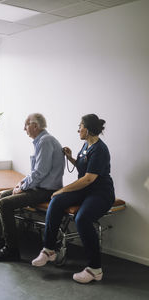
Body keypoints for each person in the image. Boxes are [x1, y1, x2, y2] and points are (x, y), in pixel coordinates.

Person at [32, 114, 115, 284]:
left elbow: (89, 178)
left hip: (100, 193)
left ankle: (95, 269)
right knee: (56, 201)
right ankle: (49, 250)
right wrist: (70, 158)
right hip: (85, 190)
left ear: (89, 129)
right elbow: (84, 168)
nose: (78, 129)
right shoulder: (86, 145)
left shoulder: (100, 149)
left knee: (82, 218)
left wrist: (63, 189)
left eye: (80, 126)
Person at [0, 113, 65, 262]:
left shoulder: (45, 141)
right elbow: (36, 171)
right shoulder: (41, 141)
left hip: (46, 191)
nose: (24, 128)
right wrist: (22, 182)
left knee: (4, 203)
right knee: (4, 195)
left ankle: (12, 250)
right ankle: (7, 240)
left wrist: (23, 187)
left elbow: (40, 173)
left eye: (26, 124)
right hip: (40, 187)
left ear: (35, 126)